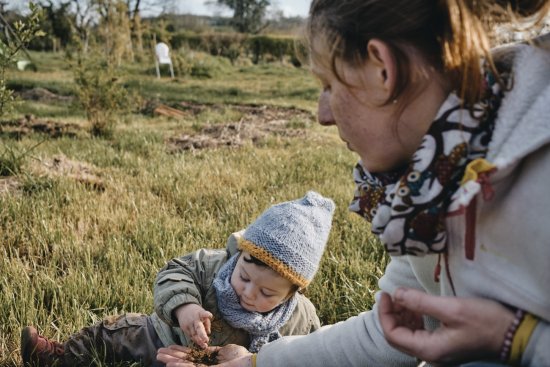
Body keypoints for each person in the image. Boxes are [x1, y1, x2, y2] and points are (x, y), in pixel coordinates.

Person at [156, 0, 550, 366]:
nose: (322, 114)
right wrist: (254, 363)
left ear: (382, 69)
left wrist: (517, 339)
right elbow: (393, 329)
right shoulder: (428, 186)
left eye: (329, 85)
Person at [21, 191, 335, 366]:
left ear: (293, 292)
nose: (249, 294)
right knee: (115, 333)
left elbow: (308, 353)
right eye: (244, 277)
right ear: (240, 255)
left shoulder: (301, 317)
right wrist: (184, 307)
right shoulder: (213, 265)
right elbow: (174, 272)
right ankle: (60, 357)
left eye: (268, 293)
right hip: (165, 339)